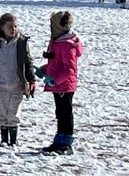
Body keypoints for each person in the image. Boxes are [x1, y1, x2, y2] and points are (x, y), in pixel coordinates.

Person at [0, 13, 36, 147]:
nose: (13, 29)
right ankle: (4, 139)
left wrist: (31, 79)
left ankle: (13, 140)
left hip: (17, 84)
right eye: (10, 27)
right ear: (2, 27)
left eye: (15, 26)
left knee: (13, 113)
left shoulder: (21, 42)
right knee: (1, 113)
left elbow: (27, 62)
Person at [38, 10, 83, 155]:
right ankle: (59, 140)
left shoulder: (65, 45)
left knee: (65, 113)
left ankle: (66, 142)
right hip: (59, 85)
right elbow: (57, 64)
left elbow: (69, 69)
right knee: (60, 113)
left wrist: (55, 80)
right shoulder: (59, 42)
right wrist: (44, 70)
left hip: (64, 85)